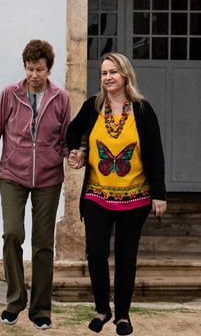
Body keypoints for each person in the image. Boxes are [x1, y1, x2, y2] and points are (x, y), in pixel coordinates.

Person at [63, 51, 166, 335]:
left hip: (135, 197)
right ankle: (101, 309)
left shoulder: (143, 110)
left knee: (125, 257)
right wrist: (77, 151)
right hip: (97, 195)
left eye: (113, 73)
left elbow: (156, 154)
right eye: (104, 73)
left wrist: (160, 194)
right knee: (96, 252)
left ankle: (122, 315)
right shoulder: (93, 106)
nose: (107, 78)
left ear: (125, 75)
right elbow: (72, 132)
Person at [0, 38, 71, 327]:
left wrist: (72, 154)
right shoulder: (9, 95)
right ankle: (15, 300)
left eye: (39, 69)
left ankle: (40, 310)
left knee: (43, 244)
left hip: (49, 178)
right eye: (29, 69)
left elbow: (65, 140)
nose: (34, 75)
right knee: (12, 234)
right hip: (12, 175)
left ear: (49, 69)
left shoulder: (61, 99)